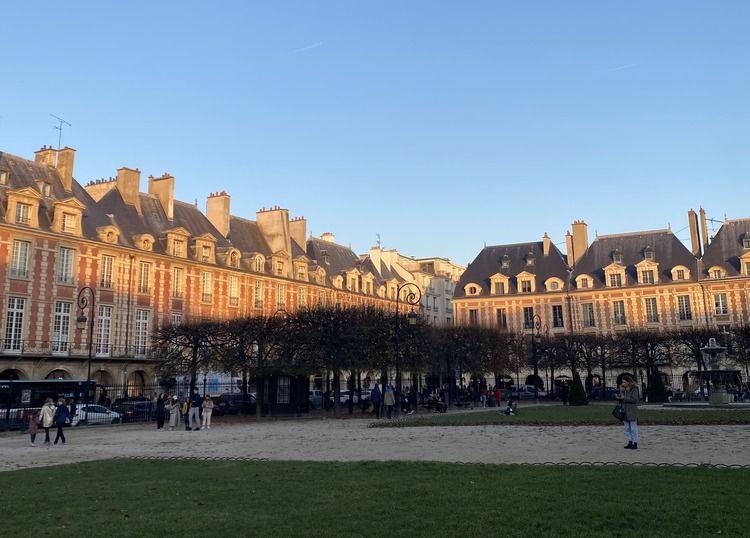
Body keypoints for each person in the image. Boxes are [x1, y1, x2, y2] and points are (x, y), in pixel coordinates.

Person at [617, 375, 640, 450]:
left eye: (624, 382)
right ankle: (630, 441)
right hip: (625, 410)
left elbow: (634, 399)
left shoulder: (634, 389)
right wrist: (619, 398)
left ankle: (635, 442)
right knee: (627, 428)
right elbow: (622, 399)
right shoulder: (623, 390)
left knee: (633, 428)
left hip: (632, 410)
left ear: (629, 382)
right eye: (622, 382)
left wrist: (624, 398)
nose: (623, 383)